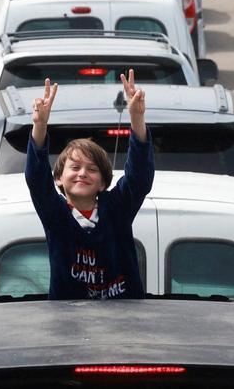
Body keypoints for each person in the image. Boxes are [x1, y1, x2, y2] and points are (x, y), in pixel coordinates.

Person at [25, 71, 152, 300]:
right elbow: (36, 180)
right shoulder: (55, 214)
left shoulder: (116, 209)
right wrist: (39, 125)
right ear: (58, 179)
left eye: (92, 169)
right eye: (74, 168)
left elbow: (139, 179)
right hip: (68, 328)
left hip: (125, 324)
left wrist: (137, 119)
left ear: (103, 183)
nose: (82, 174)